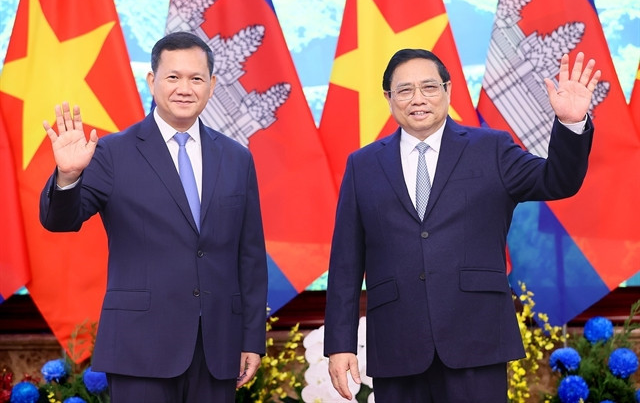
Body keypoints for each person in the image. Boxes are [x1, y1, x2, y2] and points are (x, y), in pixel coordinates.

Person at [323, 48, 600, 402]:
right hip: (397, 345)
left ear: (448, 90)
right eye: (405, 90)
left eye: (429, 87)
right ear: (389, 99)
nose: (418, 99)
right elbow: (345, 263)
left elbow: (557, 180)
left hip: (477, 340)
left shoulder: (491, 148)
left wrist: (571, 125)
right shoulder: (363, 165)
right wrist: (340, 344)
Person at [40, 31, 268, 403]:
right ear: (152, 81)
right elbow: (61, 220)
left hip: (217, 349)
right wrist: (67, 177)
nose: (184, 88)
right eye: (173, 77)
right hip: (139, 347)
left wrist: (251, 339)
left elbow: (251, 257)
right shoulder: (112, 152)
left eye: (196, 79)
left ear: (211, 86)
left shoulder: (236, 158)